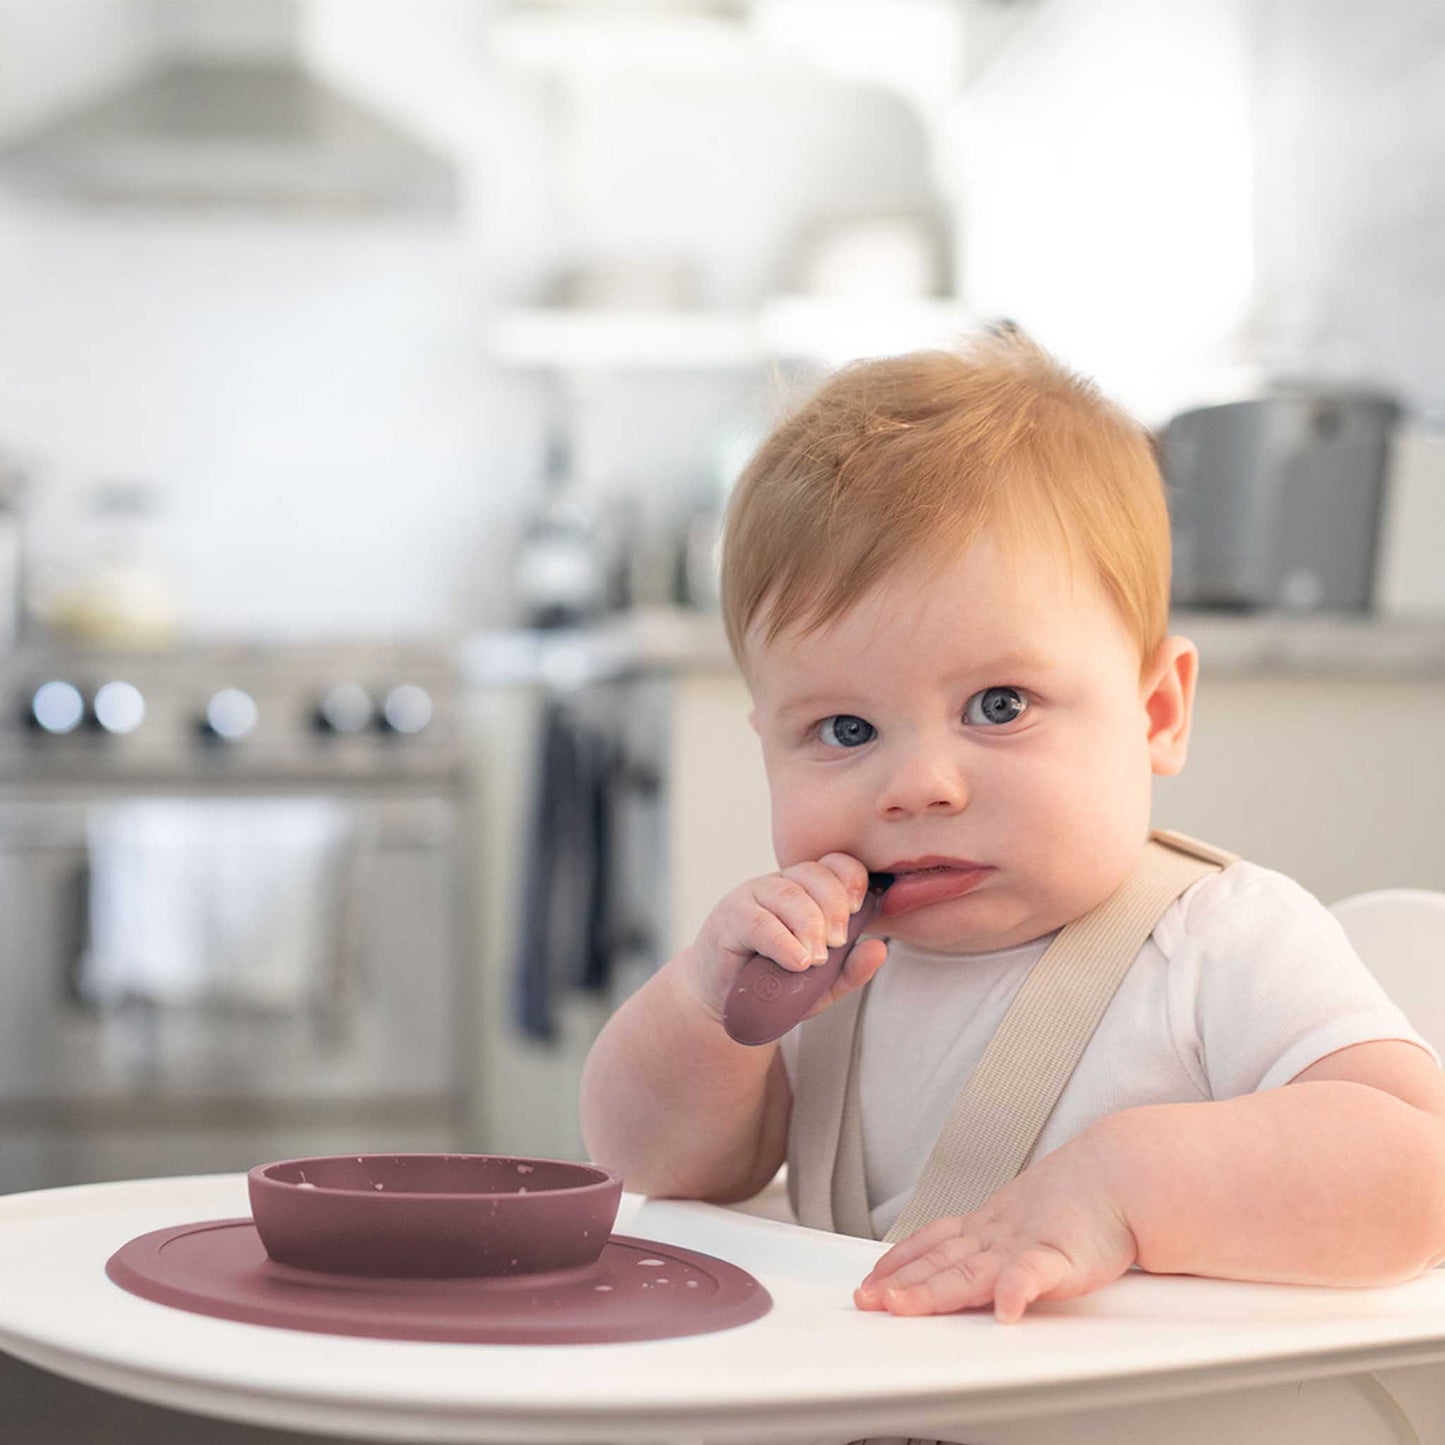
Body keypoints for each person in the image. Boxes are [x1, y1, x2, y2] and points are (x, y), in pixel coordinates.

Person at [579, 329, 1445, 1325]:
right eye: (845, 728)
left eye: (998, 704)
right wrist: (703, 1007)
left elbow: (1417, 1176)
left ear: (1156, 712)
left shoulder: (1219, 941)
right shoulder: (824, 964)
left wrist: (1125, 1186)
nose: (918, 785)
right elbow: (649, 1167)